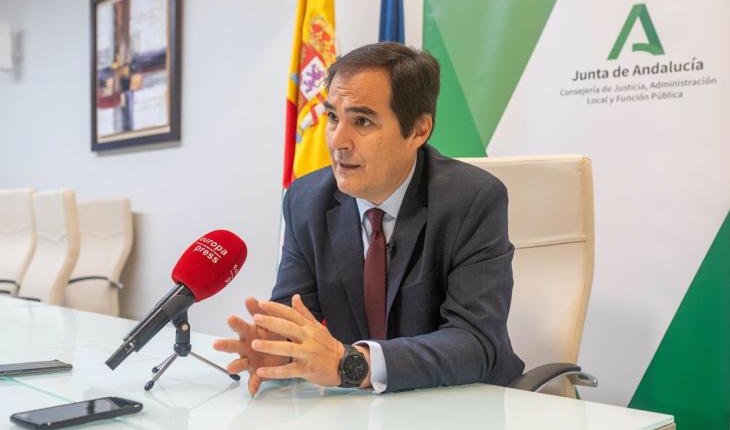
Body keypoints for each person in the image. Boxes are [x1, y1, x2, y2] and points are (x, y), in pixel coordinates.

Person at [213, 42, 524, 395]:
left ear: (418, 130)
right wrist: (279, 348)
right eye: (333, 117)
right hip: (363, 412)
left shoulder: (472, 199)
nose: (338, 141)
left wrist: (352, 362)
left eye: (362, 121)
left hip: (468, 404)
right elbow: (296, 315)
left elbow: (475, 342)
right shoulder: (306, 200)